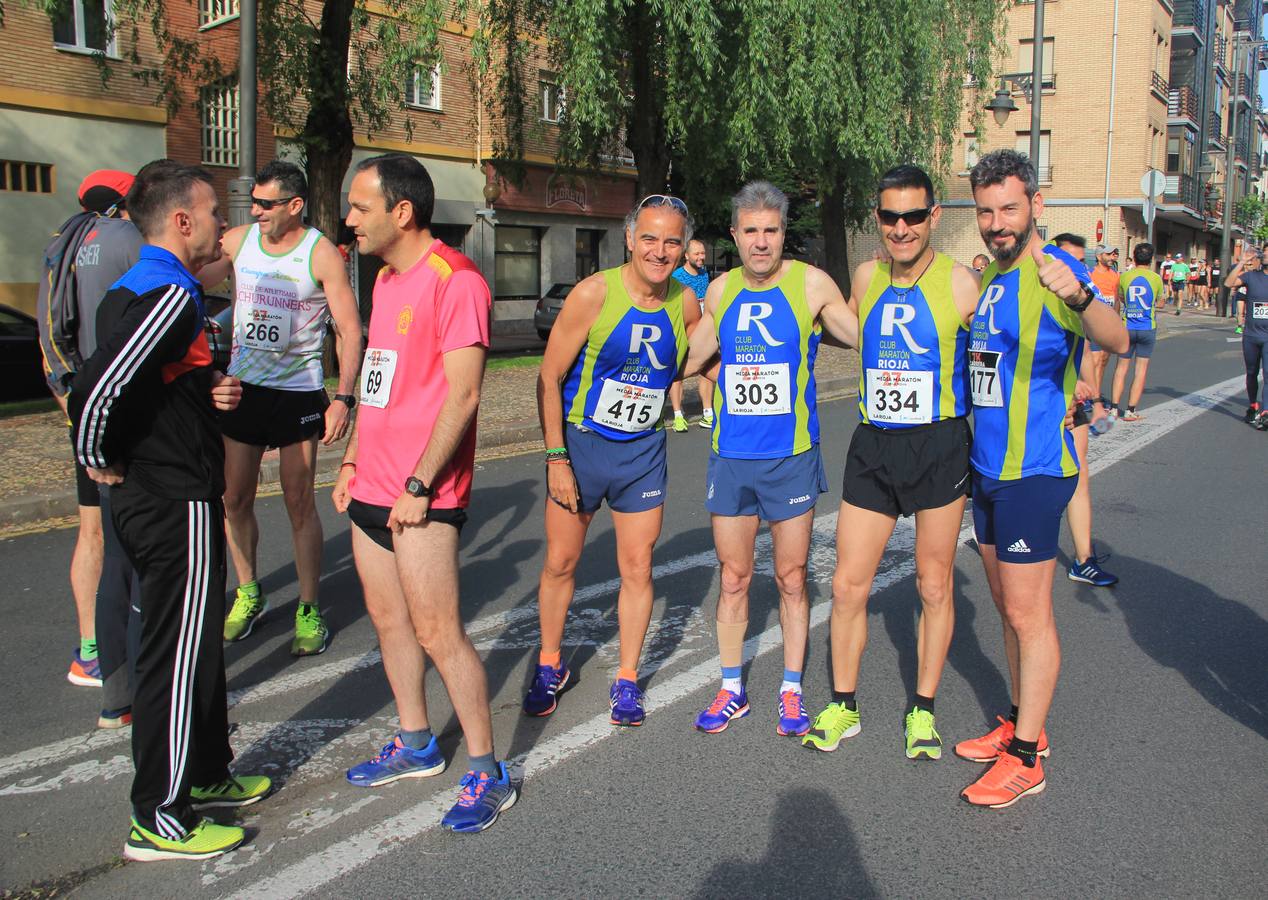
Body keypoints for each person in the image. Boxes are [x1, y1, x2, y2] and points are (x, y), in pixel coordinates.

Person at [69, 160, 271, 861]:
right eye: (215, 212)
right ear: (181, 222)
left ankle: (206, 773)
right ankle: (159, 816)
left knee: (196, 646)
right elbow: (97, 392)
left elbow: (150, 380)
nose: (222, 223)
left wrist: (207, 385)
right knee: (174, 659)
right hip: (169, 498)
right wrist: (97, 457)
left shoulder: (148, 289)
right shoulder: (166, 291)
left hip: (176, 490)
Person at [330, 154, 515, 833]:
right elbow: (380, 377)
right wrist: (351, 459)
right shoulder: (383, 279)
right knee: (389, 622)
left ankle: (487, 770)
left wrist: (419, 483)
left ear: (400, 212)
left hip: (423, 494)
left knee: (440, 631)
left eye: (359, 207)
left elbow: (464, 395)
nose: (349, 219)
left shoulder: (455, 280)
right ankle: (415, 744)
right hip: (373, 484)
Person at [954, 150, 1127, 808]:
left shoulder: (1058, 272)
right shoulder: (994, 278)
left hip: (1033, 471)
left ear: (1035, 206)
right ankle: (1023, 722)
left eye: (1010, 208)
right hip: (988, 471)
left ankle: (1027, 758)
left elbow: (1115, 340)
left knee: (1030, 614)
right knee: (1007, 608)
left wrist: (1080, 296)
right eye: (987, 211)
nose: (998, 222)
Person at [801, 165, 978, 759]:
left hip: (938, 445)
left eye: (912, 216)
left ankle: (922, 710)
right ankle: (844, 705)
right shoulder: (866, 273)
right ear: (877, 219)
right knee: (849, 585)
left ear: (933, 218)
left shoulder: (962, 283)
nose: (901, 228)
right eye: (889, 216)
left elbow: (998, 355)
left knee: (933, 584)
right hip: (875, 442)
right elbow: (853, 328)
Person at [682, 180, 857, 736]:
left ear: (784, 233)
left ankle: (790, 689)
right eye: (751, 231)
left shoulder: (811, 284)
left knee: (790, 576)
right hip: (731, 458)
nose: (761, 242)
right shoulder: (720, 289)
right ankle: (732, 688)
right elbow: (691, 356)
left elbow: (863, 338)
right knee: (733, 577)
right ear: (735, 235)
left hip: (791, 459)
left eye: (772, 231)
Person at [525, 195, 700, 726]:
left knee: (638, 567)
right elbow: (548, 377)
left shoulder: (686, 305)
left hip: (642, 452)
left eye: (672, 241)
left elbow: (691, 363)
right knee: (561, 562)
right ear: (630, 238)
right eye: (649, 237)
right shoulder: (594, 293)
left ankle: (627, 679)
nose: (660, 250)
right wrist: (556, 456)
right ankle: (550, 663)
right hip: (582, 448)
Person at [198, 161, 362, 656]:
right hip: (244, 388)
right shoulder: (240, 240)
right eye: (255, 202)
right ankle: (250, 592)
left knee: (298, 501)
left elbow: (350, 330)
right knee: (233, 498)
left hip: (297, 392)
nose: (256, 211)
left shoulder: (321, 254)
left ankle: (308, 607)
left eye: (267, 204)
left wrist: (344, 398)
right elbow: (190, 279)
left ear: (295, 205)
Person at [36, 169, 144, 725]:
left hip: (79, 404)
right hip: (120, 412)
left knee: (91, 529)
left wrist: (78, 415)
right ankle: (132, 659)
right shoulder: (128, 240)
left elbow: (48, 337)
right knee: (133, 537)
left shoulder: (63, 243)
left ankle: (90, 652)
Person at [1054, 235, 1117, 588]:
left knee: (1078, 474)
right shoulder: (1031, 294)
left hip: (1073, 405)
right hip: (1036, 403)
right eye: (1069, 259)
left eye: (1081, 260)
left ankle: (1084, 559)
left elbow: (1086, 345)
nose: (1075, 267)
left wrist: (1092, 397)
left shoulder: (1079, 297)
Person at [1109, 243, 1164, 423]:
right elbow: (1160, 302)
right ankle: (1131, 410)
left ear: (1134, 256)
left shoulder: (1124, 276)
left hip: (1127, 327)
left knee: (1121, 369)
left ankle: (1114, 409)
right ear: (1152, 258)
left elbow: (1121, 298)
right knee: (1140, 370)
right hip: (1147, 327)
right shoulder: (1155, 278)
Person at [670, 238, 714, 430]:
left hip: (703, 331)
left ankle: (708, 412)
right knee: (678, 372)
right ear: (686, 256)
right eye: (697, 253)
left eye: (703, 253)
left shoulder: (704, 274)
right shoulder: (677, 277)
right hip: (683, 330)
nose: (701, 257)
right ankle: (678, 415)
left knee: (706, 369)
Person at [1223, 248, 1268, 428]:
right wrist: (1242, 262)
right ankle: (1253, 406)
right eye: (1264, 252)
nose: (1265, 255)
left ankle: (1265, 411)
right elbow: (1228, 283)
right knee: (1252, 373)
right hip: (1251, 335)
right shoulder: (1251, 277)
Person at [1085, 243, 1120, 427]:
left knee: (1104, 360)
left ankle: (1095, 393)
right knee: (1095, 360)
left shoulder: (1115, 275)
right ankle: (1093, 397)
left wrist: (1116, 319)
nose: (1112, 256)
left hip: (1108, 323)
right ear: (1099, 257)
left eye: (1113, 254)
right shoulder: (1091, 274)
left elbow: (1115, 298)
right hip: (1093, 323)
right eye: (1108, 254)